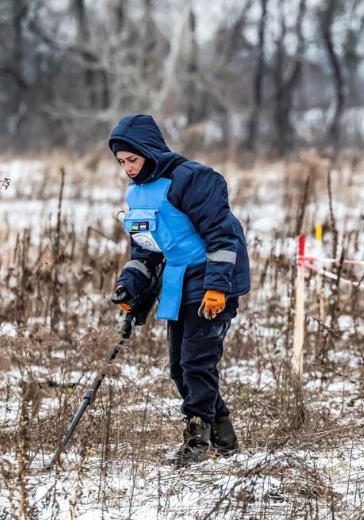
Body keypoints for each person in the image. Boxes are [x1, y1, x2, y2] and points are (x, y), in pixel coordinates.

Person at [107, 114, 250, 466]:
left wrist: (217, 289)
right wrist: (130, 290)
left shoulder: (193, 179)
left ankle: (197, 441)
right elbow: (145, 251)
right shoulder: (137, 194)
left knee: (197, 361)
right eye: (121, 162)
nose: (127, 168)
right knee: (179, 368)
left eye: (132, 160)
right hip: (177, 280)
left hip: (212, 277)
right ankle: (225, 438)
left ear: (148, 151)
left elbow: (222, 235)